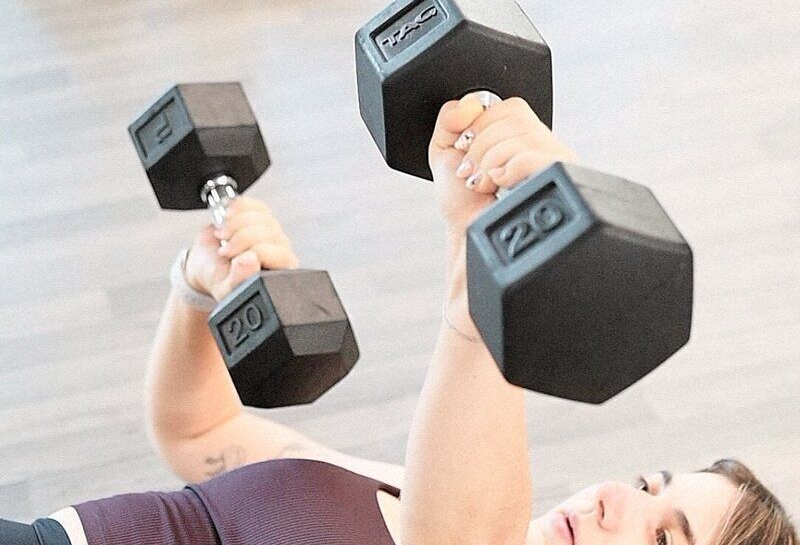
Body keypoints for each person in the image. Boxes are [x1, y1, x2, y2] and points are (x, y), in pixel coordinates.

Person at [1, 96, 796, 545]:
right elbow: (196, 432)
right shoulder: (415, 487)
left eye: (663, 540)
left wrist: (524, 242)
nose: (616, 501)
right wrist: (198, 292)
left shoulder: (457, 526)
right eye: (648, 484)